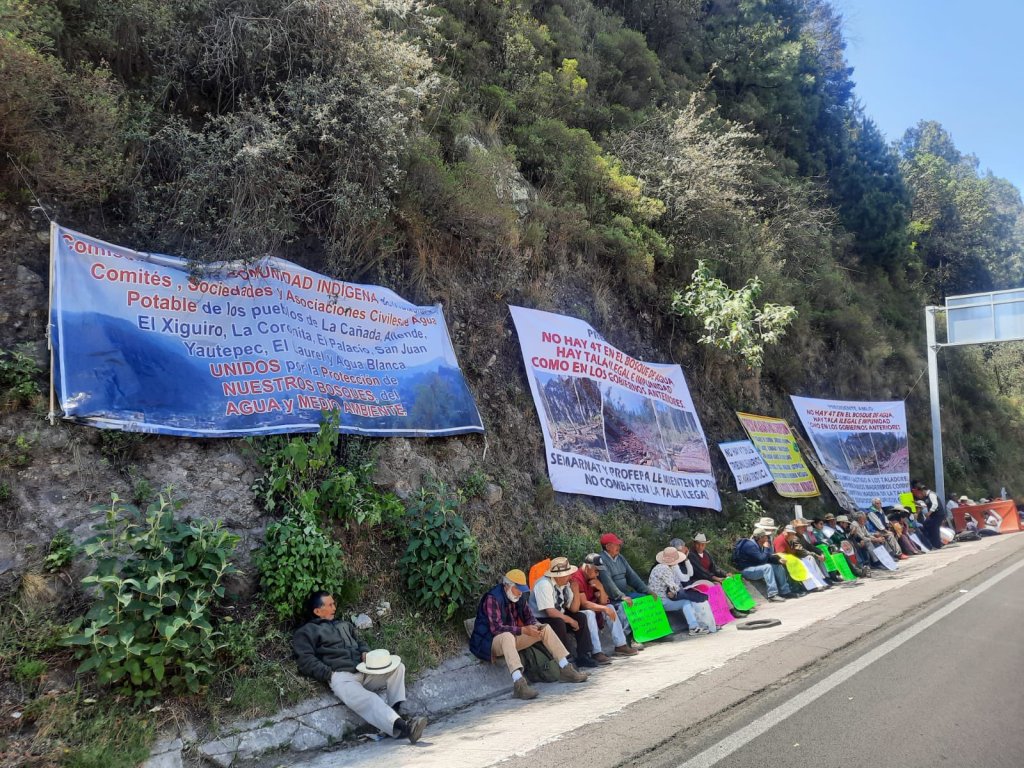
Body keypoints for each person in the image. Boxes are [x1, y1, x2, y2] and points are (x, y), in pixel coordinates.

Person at [293, 591, 427, 743]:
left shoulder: (343, 624)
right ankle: (406, 729)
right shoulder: (306, 632)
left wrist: (365, 652)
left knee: (397, 668)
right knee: (371, 699)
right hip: (342, 678)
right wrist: (329, 674)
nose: (334, 607)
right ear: (317, 611)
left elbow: (359, 642)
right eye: (330, 605)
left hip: (364, 671)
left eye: (334, 604)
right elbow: (305, 660)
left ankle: (395, 714)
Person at [469, 569, 588, 701]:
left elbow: (529, 618)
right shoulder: (493, 598)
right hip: (490, 642)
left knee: (544, 628)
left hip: (513, 636)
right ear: (508, 586)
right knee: (507, 636)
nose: (520, 593)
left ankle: (566, 668)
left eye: (522, 589)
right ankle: (519, 683)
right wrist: (524, 630)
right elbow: (496, 628)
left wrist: (534, 625)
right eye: (517, 589)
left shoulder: (519, 597)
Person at [530, 557, 599, 668]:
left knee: (581, 617)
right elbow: (550, 612)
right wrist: (570, 620)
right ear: (559, 575)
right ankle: (566, 658)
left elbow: (574, 609)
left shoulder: (565, 584)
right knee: (558, 622)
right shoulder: (543, 584)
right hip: (541, 619)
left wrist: (575, 591)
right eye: (568, 574)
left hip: (557, 615)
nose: (570, 577)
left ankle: (584, 655)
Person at [569, 553, 636, 658]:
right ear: (587, 568)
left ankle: (620, 645)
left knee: (610, 607)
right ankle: (596, 652)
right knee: (591, 613)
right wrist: (603, 608)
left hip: (592, 607)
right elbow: (584, 604)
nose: (597, 574)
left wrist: (600, 588)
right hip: (578, 611)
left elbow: (604, 602)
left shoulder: (594, 577)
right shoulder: (577, 578)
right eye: (596, 571)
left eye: (599, 571)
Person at [599, 532, 655, 648]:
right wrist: (621, 596)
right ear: (608, 546)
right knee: (625, 606)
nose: (618, 547)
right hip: (613, 598)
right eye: (616, 545)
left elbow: (632, 576)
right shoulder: (601, 560)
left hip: (625, 593)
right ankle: (632, 639)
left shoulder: (620, 558)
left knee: (646, 599)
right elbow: (607, 582)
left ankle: (647, 634)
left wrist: (647, 590)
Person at [648, 547, 713, 636]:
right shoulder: (664, 569)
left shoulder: (667, 567)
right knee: (686, 602)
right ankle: (694, 627)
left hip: (662, 598)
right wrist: (679, 591)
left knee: (688, 597)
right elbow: (674, 587)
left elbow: (679, 583)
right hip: (660, 601)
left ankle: (697, 625)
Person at [686, 533, 752, 617]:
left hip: (709, 577)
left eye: (702, 545)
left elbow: (714, 568)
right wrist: (715, 578)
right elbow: (700, 571)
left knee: (730, 579)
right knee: (717, 584)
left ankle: (741, 606)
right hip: (698, 579)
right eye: (697, 544)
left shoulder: (706, 553)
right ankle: (731, 610)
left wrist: (725, 574)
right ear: (694, 544)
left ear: (705, 545)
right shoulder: (692, 555)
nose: (700, 547)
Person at [731, 525, 796, 602]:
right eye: (765, 536)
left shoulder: (760, 544)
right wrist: (766, 548)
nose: (767, 538)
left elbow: (768, 557)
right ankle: (772, 595)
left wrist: (778, 561)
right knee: (767, 567)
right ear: (760, 537)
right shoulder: (749, 545)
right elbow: (761, 559)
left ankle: (785, 591)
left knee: (777, 566)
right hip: (747, 570)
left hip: (756, 567)